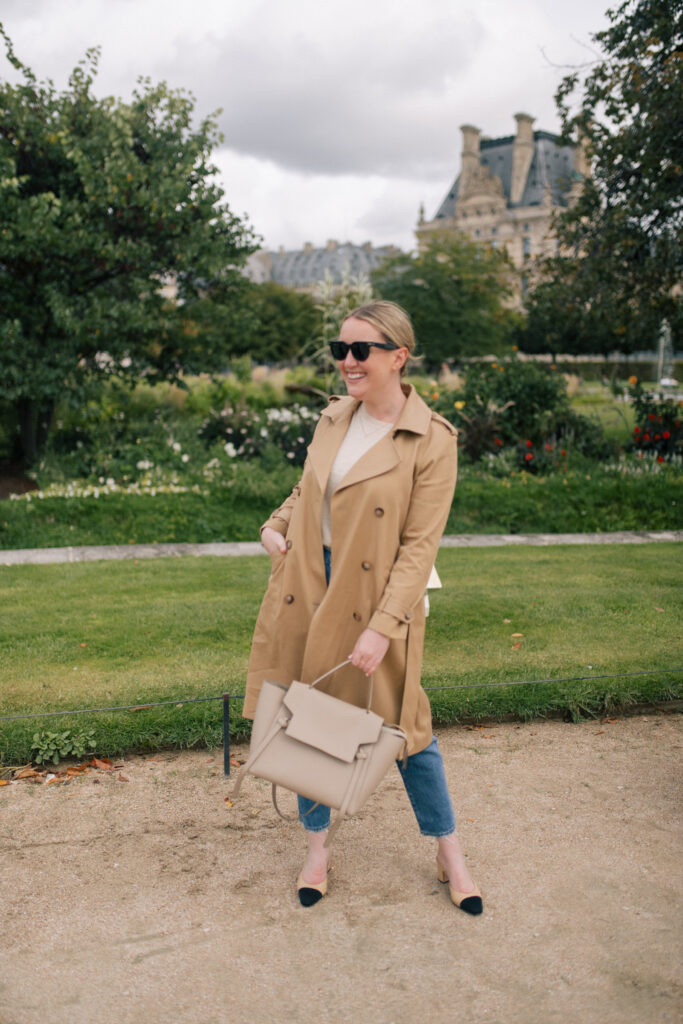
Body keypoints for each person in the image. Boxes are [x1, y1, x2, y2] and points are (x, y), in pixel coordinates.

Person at [242, 300, 482, 914]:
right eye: (339, 350)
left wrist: (381, 627)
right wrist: (275, 524)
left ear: (398, 356)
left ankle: (449, 850)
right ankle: (317, 849)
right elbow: (308, 488)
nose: (346, 362)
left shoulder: (432, 438)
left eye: (360, 350)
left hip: (377, 598)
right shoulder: (334, 417)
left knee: (407, 726)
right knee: (308, 718)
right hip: (309, 582)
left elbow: (419, 547)